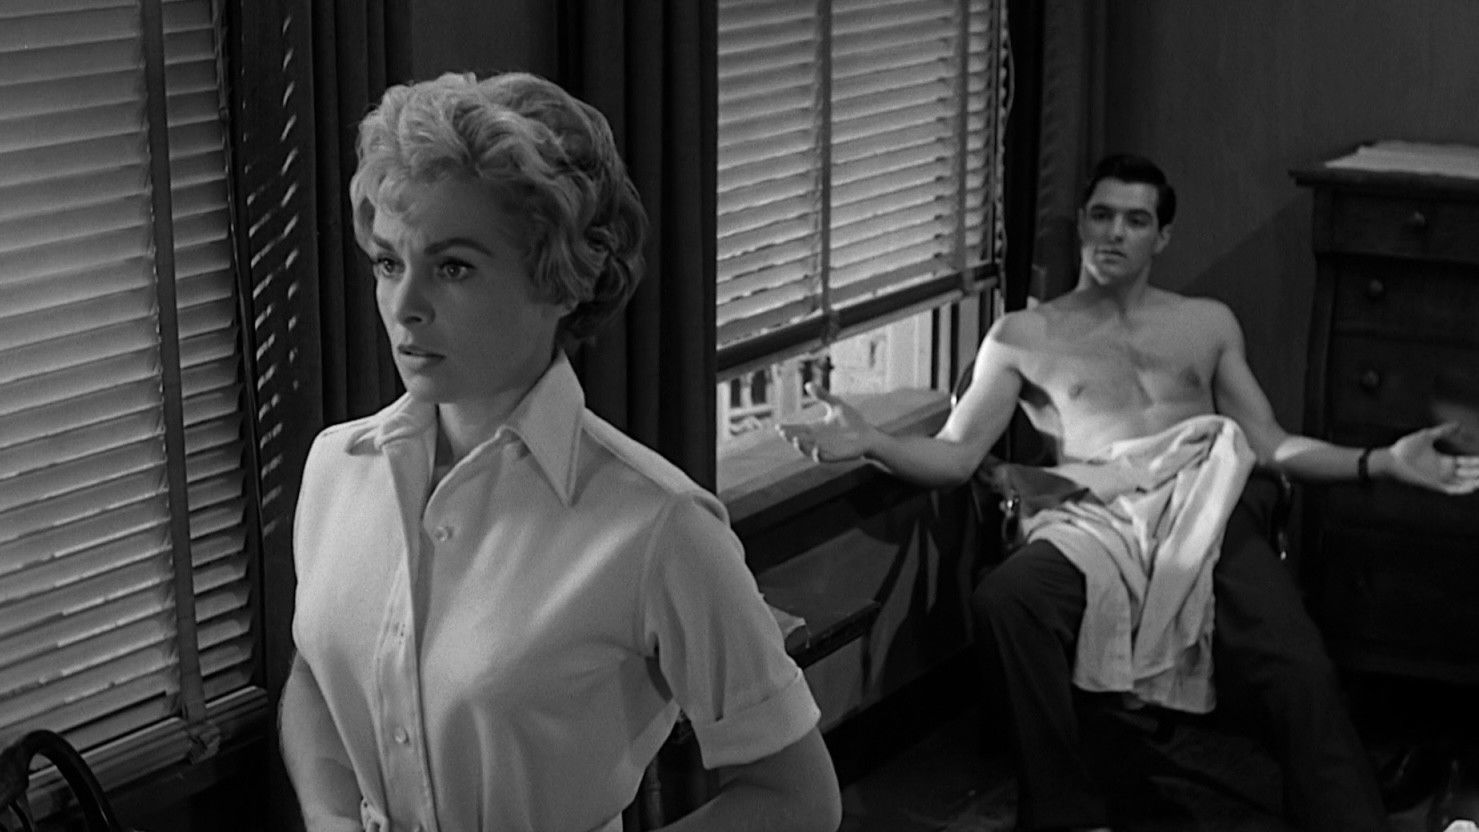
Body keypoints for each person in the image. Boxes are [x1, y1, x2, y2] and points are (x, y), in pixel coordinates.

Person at [779, 153, 1479, 832]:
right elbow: (957, 454)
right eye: (1101, 215)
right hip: (1094, 515)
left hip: (1202, 504)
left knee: (1293, 662)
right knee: (1007, 599)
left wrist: (1383, 461)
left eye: (1135, 220)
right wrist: (872, 441)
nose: (1114, 233)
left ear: (1161, 236)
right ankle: (1066, 814)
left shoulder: (1206, 323)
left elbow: (1268, 443)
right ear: (1082, 223)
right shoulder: (1022, 335)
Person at [279, 71, 841, 832]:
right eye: (388, 263)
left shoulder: (658, 525)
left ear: (562, 280)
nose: (404, 306)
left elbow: (797, 798)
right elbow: (316, 672)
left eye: (452, 267)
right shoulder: (336, 469)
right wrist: (330, 817)